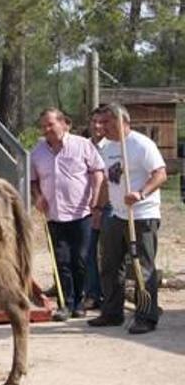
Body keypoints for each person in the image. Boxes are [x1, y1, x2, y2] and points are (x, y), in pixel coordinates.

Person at [88, 103, 167, 334]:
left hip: (142, 215)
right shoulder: (107, 147)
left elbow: (160, 174)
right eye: (100, 122)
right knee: (110, 265)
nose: (101, 127)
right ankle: (112, 313)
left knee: (142, 267)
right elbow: (107, 181)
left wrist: (140, 193)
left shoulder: (142, 144)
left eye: (107, 123)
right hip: (116, 214)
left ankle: (146, 316)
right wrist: (98, 208)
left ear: (123, 122)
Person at [30, 108, 104, 321]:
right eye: (43, 126)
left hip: (81, 214)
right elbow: (33, 180)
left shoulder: (82, 145)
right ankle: (66, 303)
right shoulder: (38, 152)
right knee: (61, 260)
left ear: (64, 124)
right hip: (54, 215)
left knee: (80, 259)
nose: (46, 129)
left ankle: (80, 302)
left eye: (50, 125)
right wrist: (37, 197)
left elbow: (98, 172)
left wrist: (95, 197)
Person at [83, 108, 111, 310]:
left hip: (110, 206)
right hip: (89, 207)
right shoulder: (84, 146)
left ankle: (111, 294)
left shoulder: (113, 147)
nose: (97, 126)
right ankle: (92, 294)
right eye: (94, 121)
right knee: (88, 250)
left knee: (111, 253)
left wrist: (101, 207)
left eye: (101, 122)